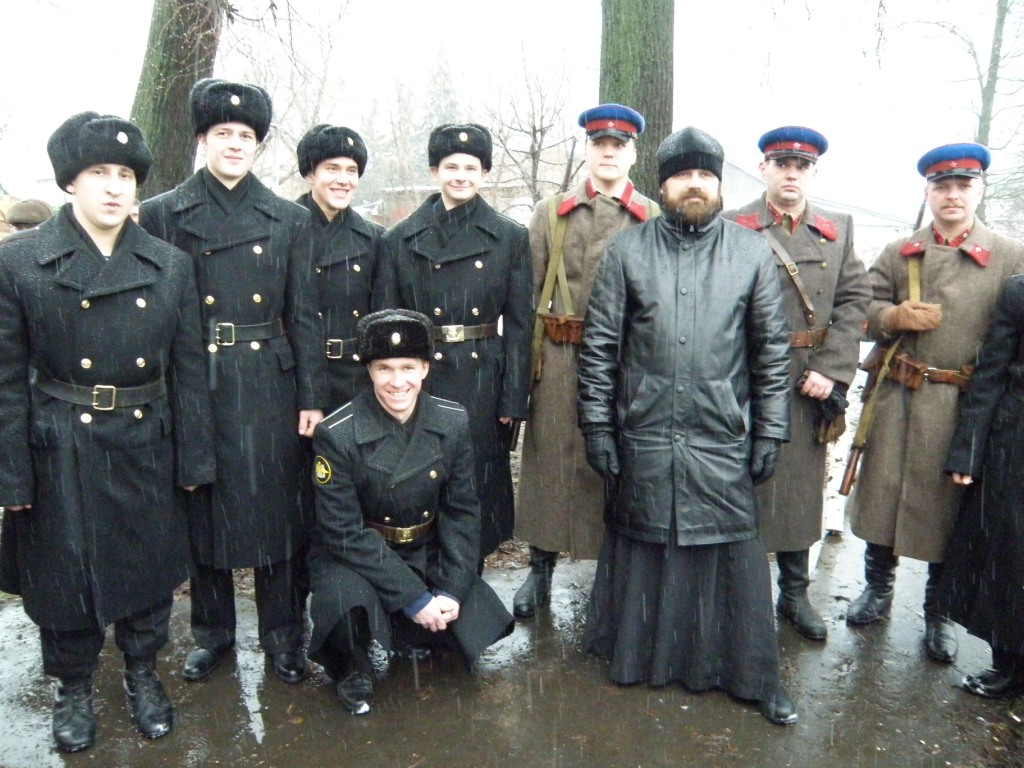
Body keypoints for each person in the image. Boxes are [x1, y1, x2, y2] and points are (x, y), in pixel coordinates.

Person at [0, 112, 214, 751]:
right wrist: (12, 473)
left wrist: (195, 459)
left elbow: (189, 369)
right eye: (99, 172)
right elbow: (6, 378)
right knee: (65, 572)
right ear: (71, 181)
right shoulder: (19, 261)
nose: (114, 187)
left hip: (146, 437)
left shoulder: (169, 264)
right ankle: (73, 686)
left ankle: (144, 673)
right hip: (60, 440)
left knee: (147, 568)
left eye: (125, 174)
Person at [579, 126, 797, 725]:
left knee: (734, 557)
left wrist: (770, 431)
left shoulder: (751, 253)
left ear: (719, 185)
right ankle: (640, 657)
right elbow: (599, 348)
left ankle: (750, 673)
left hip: (721, 432)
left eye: (705, 175)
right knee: (647, 544)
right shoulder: (627, 250)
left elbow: (771, 353)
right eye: (682, 175)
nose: (694, 184)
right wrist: (597, 426)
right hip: (645, 428)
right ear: (664, 185)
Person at [140, 79, 326, 686]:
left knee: (277, 513)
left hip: (270, 381)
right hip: (197, 376)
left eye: (246, 135)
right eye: (223, 133)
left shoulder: (289, 217)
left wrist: (311, 397)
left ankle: (283, 637)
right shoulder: (163, 214)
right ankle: (212, 634)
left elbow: (304, 314)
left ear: (258, 145)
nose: (235, 144)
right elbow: (157, 312)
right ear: (202, 138)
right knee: (204, 508)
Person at [845, 142, 1024, 663]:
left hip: (963, 408)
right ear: (927, 193)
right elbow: (861, 307)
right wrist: (893, 316)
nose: (952, 195)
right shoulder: (900, 250)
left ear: (979, 191)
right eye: (942, 186)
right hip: (897, 396)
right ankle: (878, 587)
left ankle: (938, 610)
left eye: (963, 185)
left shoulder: (1011, 257)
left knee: (949, 512)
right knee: (882, 496)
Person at [307, 308, 515, 714]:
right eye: (384, 368)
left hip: (424, 545)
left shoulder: (452, 421)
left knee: (463, 622)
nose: (397, 381)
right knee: (342, 601)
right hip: (360, 553)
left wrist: (452, 588)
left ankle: (413, 633)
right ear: (369, 371)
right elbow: (343, 531)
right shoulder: (337, 433)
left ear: (425, 368)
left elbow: (462, 511)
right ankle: (353, 666)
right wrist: (414, 597)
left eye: (407, 367)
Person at [723, 126, 870, 641]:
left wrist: (831, 367)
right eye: (781, 164)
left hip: (808, 377)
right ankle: (736, 592)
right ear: (763, 168)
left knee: (798, 490)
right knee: (736, 480)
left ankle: (794, 592)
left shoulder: (838, 229)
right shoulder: (732, 224)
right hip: (742, 374)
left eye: (801, 166)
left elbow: (855, 301)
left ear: (813, 172)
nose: (791, 173)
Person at [512, 104, 658, 619]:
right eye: (600, 144)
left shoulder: (651, 218)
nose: (609, 153)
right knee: (548, 461)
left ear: (633, 153)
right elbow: (526, 295)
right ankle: (540, 567)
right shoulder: (551, 212)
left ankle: (610, 572)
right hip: (556, 358)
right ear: (587, 150)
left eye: (619, 145)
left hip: (623, 363)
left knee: (614, 462)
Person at [373, 123, 531, 562]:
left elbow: (521, 325)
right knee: (418, 481)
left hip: (482, 379)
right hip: (418, 378)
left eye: (471, 167)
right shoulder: (399, 239)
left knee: (474, 486)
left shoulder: (510, 237)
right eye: (451, 166)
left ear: (484, 173)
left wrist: (513, 398)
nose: (461, 176)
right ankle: (419, 582)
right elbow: (386, 323)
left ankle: (467, 580)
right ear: (434, 171)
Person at [940, 274, 1024, 698]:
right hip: (1016, 442)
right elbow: (990, 374)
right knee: (1010, 556)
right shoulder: (1019, 291)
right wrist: (967, 451)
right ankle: (1009, 663)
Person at [296, 123, 382, 410]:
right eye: (332, 169)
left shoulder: (375, 239)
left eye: (351, 171)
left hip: (355, 378)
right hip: (295, 377)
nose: (343, 180)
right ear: (310, 174)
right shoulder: (283, 231)